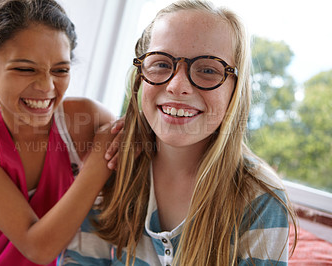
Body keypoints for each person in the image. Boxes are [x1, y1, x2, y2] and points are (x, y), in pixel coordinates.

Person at [59, 0, 298, 265]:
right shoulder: (114, 165)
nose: (177, 86)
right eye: (161, 64)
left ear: (236, 89)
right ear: (140, 77)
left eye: (208, 70)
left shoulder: (260, 197)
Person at [0, 0, 119, 265]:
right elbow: (38, 248)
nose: (46, 86)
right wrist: (98, 163)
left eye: (61, 70)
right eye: (25, 69)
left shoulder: (88, 119)